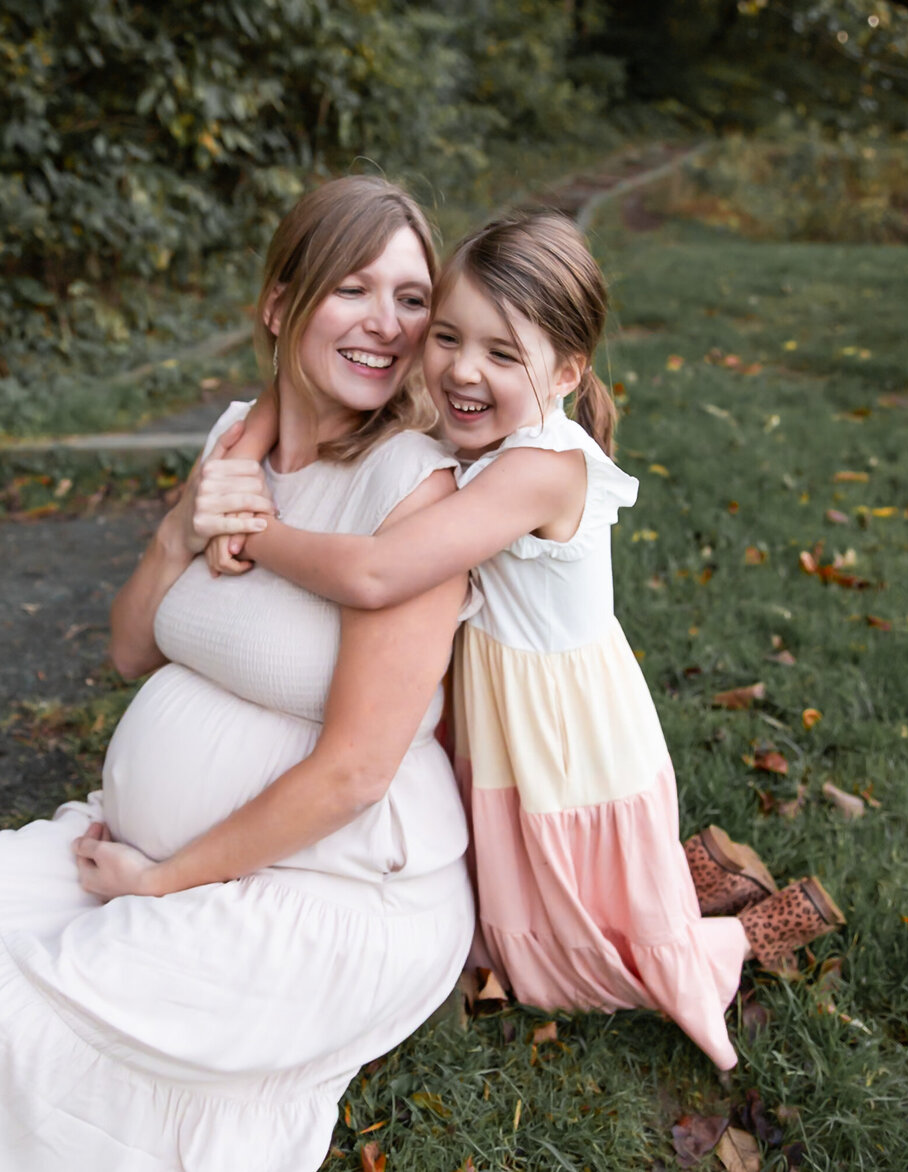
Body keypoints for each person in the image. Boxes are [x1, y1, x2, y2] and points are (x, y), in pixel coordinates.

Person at [0, 175, 476, 1170]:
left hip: (331, 891)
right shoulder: (233, 443)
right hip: (153, 846)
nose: (386, 323)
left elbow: (354, 774)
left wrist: (159, 882)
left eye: (412, 297)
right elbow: (133, 645)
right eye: (353, 288)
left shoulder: (412, 489)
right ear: (279, 303)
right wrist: (183, 522)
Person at [212, 211, 846, 1071]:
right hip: (509, 719)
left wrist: (256, 532)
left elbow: (375, 576)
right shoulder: (469, 428)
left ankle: (730, 939)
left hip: (566, 737)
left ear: (567, 372)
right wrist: (241, 452)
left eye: (502, 354)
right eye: (446, 337)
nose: (461, 371)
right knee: (524, 919)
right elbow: (283, 400)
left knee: (568, 970)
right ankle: (683, 874)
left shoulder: (541, 468)